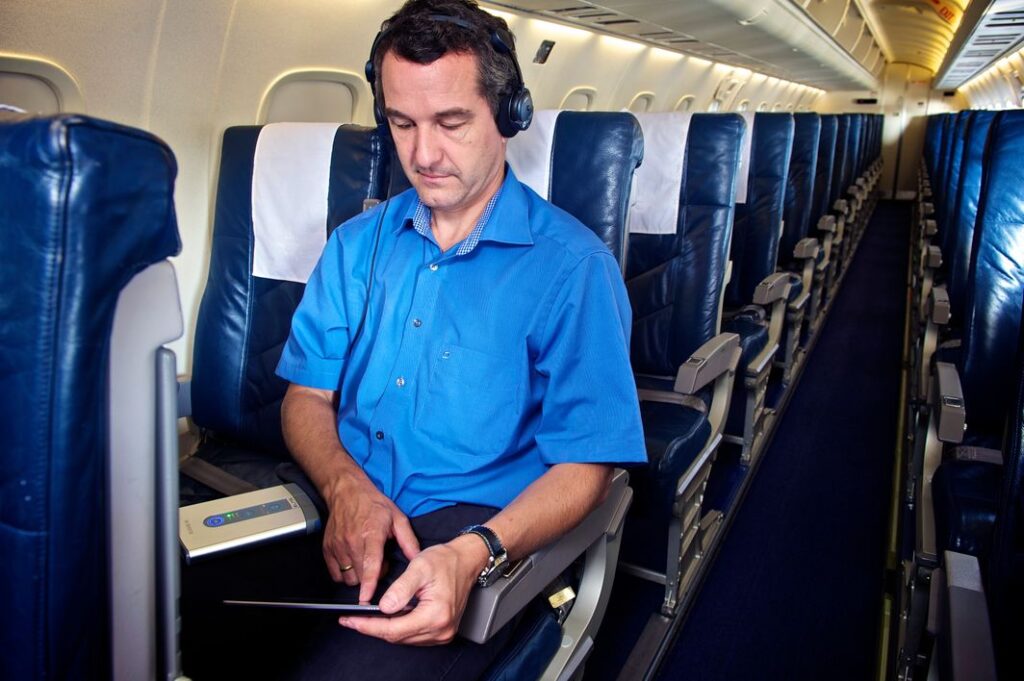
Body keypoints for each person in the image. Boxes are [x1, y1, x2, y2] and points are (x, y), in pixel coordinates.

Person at [274, 0, 647, 677]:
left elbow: (586, 464)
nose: (421, 153)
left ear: (508, 118)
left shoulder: (572, 269)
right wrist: (345, 487)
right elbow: (306, 396)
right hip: (339, 504)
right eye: (401, 123)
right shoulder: (356, 245)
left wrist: (476, 550)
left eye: (450, 122)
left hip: (462, 533)